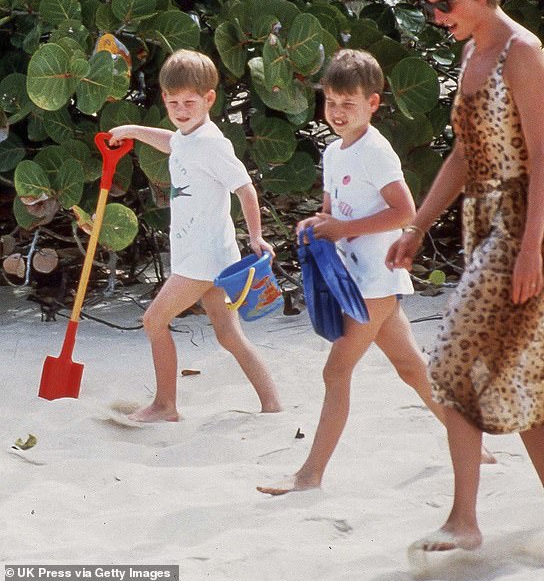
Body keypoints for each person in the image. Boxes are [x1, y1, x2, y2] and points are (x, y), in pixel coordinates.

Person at [387, 0, 544, 552]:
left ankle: (464, 522)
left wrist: (530, 249)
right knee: (528, 370)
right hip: (483, 225)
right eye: (428, 7)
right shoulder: (473, 51)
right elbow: (463, 153)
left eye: (443, 5)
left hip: (524, 226)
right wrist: (418, 226)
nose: (436, 17)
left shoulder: (522, 52)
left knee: (449, 366)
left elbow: (542, 156)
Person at [258, 49, 484, 497]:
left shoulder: (376, 151)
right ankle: (473, 442)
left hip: (376, 278)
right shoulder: (333, 150)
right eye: (331, 103)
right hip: (353, 277)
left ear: (373, 104)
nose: (338, 113)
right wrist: (316, 224)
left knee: (335, 372)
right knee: (411, 368)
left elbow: (405, 211)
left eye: (349, 104)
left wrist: (344, 228)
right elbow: (331, 211)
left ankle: (311, 474)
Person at [109, 49, 282, 422]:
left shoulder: (213, 144)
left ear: (209, 99)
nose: (181, 110)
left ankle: (165, 405)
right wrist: (134, 132)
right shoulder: (191, 136)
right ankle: (272, 404)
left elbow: (245, 188)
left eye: (189, 102)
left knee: (154, 321)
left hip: (203, 258)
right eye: (173, 103)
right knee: (228, 335)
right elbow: (173, 142)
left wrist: (256, 237)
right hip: (207, 254)